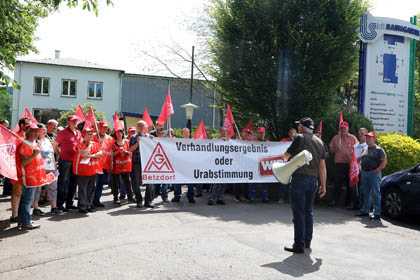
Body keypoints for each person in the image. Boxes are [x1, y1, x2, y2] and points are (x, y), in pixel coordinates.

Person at [282, 117, 327, 254]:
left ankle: (298, 245)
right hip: (313, 180)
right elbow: (322, 166)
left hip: (299, 179)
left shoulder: (299, 138)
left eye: (299, 125)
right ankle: (307, 242)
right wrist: (323, 185)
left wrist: (286, 158)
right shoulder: (319, 141)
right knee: (308, 211)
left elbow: (286, 156)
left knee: (299, 212)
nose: (298, 128)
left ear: (302, 127)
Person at [17, 124, 46, 230]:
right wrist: (34, 155)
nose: (34, 133)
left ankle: (23, 220)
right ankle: (26, 223)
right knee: (27, 201)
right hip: (28, 177)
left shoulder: (34, 142)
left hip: (35, 177)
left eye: (36, 131)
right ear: (27, 131)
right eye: (32, 131)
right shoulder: (24, 144)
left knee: (27, 200)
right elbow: (23, 163)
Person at [357, 132, 387, 220]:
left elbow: (384, 161)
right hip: (365, 173)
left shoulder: (379, 149)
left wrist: (377, 170)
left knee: (375, 193)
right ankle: (365, 211)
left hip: (374, 173)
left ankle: (377, 213)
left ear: (374, 139)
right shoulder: (365, 149)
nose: (368, 139)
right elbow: (360, 159)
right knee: (365, 192)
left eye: (370, 138)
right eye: (366, 138)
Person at [33, 124, 61, 216]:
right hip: (39, 169)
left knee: (53, 188)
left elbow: (51, 154)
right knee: (38, 189)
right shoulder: (34, 142)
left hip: (51, 168)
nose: (44, 131)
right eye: (42, 130)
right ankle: (36, 208)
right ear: (37, 131)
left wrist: (55, 166)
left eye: (45, 130)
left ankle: (54, 207)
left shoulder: (48, 140)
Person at [329, 121, 358, 208]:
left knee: (350, 184)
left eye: (344, 128)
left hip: (350, 164)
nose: (343, 130)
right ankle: (334, 201)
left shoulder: (353, 138)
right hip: (339, 164)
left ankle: (348, 203)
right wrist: (334, 148)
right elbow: (331, 150)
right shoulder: (336, 138)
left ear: (348, 128)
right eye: (341, 128)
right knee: (337, 183)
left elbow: (358, 149)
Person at [56, 115, 82, 212]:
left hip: (75, 161)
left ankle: (69, 204)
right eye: (72, 121)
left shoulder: (78, 133)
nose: (74, 123)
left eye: (76, 121)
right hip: (65, 161)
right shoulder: (62, 133)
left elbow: (80, 145)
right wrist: (60, 155)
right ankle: (60, 204)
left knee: (73, 183)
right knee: (63, 183)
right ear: (68, 122)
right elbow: (55, 146)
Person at [73, 127, 102, 214]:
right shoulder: (79, 144)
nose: (90, 135)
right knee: (83, 189)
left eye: (91, 134)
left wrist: (91, 156)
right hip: (82, 170)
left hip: (93, 170)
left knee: (91, 188)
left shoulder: (95, 144)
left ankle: (88, 205)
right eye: (88, 134)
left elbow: (100, 154)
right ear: (83, 135)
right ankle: (82, 206)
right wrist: (94, 154)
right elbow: (83, 153)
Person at [10, 118, 30, 223]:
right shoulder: (15, 136)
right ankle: (14, 215)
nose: (29, 126)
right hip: (18, 167)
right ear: (21, 125)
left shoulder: (28, 136)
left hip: (28, 168)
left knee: (25, 193)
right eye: (27, 124)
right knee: (17, 192)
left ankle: (22, 213)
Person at [129, 120, 154, 208]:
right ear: (139, 128)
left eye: (146, 126)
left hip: (148, 163)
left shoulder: (150, 137)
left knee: (150, 182)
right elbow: (131, 149)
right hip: (137, 163)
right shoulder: (133, 137)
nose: (146, 128)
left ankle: (148, 201)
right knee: (135, 183)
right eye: (144, 126)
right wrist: (138, 142)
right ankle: (139, 200)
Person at [111, 128, 136, 206]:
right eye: (117, 133)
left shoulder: (127, 142)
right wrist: (118, 151)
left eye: (120, 133)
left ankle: (130, 197)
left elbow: (130, 152)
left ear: (122, 133)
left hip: (125, 165)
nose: (119, 134)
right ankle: (116, 198)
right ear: (115, 134)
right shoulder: (113, 143)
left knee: (127, 181)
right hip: (116, 166)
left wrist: (126, 152)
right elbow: (111, 155)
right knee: (115, 183)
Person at [94, 120, 114, 207]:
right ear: (98, 127)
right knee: (94, 185)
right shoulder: (93, 137)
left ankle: (97, 200)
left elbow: (111, 152)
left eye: (106, 127)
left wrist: (111, 162)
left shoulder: (110, 138)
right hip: (95, 165)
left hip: (105, 165)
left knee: (100, 184)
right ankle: (90, 201)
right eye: (102, 127)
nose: (104, 129)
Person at [172, 128, 195, 203]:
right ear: (182, 134)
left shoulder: (193, 142)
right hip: (180, 165)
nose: (186, 134)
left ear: (189, 133)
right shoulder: (178, 142)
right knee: (177, 181)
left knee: (190, 182)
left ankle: (190, 196)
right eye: (184, 133)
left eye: (187, 132)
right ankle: (177, 196)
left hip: (189, 165)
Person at [208, 127, 229, 206]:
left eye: (225, 132)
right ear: (220, 132)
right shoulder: (216, 141)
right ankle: (212, 198)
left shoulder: (229, 142)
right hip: (217, 164)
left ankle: (220, 198)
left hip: (226, 164)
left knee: (223, 183)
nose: (224, 133)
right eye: (223, 132)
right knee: (216, 183)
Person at [248, 127, 270, 203]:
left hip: (264, 164)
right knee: (253, 181)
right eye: (259, 133)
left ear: (264, 133)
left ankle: (265, 197)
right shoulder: (253, 142)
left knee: (265, 181)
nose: (261, 134)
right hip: (254, 164)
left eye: (262, 133)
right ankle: (252, 197)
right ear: (257, 133)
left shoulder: (268, 142)